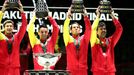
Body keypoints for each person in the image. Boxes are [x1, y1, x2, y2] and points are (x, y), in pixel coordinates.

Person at [90, 7, 123, 75]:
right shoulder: (94, 41)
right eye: (101, 29)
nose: (103, 30)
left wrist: (112, 15)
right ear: (97, 32)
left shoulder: (111, 41)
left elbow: (120, 29)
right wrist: (98, 16)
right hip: (98, 72)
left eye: (104, 29)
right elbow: (92, 29)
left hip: (110, 72)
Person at [0, 1, 27, 75]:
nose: (9, 27)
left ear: (13, 28)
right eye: (7, 26)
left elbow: (24, 26)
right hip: (2, 68)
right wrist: (2, 11)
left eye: (11, 26)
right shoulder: (1, 37)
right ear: (4, 28)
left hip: (15, 69)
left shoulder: (17, 37)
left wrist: (22, 11)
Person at [63, 6, 91, 75]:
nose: (76, 28)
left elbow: (89, 29)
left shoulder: (84, 39)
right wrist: (68, 17)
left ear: (80, 29)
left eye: (78, 27)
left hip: (83, 70)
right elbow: (65, 30)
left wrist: (85, 16)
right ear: (70, 30)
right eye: (74, 27)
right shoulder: (68, 39)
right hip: (71, 70)